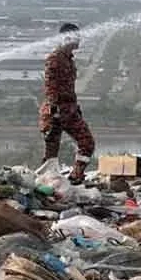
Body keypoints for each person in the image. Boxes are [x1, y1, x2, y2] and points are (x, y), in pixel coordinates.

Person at [39, 23, 95, 184]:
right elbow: (51, 87)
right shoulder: (55, 59)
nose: (80, 40)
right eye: (77, 37)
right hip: (57, 110)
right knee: (51, 154)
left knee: (86, 142)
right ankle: (49, 183)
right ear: (67, 38)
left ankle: (75, 177)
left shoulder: (68, 59)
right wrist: (54, 111)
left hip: (69, 110)